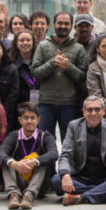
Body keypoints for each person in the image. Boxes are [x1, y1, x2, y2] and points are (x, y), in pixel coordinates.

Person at [52, 95, 106, 205]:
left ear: (103, 111)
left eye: (97, 109)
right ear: (84, 112)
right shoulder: (74, 126)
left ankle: (81, 197)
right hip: (80, 177)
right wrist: (65, 175)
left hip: (105, 178)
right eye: (90, 110)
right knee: (56, 180)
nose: (94, 113)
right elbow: (65, 154)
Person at [32, 12, 88, 140]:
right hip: (46, 102)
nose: (63, 26)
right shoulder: (43, 46)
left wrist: (68, 66)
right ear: (54, 25)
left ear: (71, 26)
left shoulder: (78, 48)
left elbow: (82, 76)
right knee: (44, 142)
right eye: (60, 23)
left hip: (69, 104)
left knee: (69, 142)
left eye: (66, 23)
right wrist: (53, 62)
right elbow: (35, 72)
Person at [0, 101, 57, 209]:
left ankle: (29, 196)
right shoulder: (14, 136)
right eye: (26, 118)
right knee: (6, 161)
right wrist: (15, 164)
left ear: (38, 120)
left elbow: (54, 154)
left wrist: (34, 162)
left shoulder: (45, 136)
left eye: (33, 118)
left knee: (42, 162)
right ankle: (14, 195)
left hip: (38, 183)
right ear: (20, 120)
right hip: (19, 179)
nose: (29, 121)